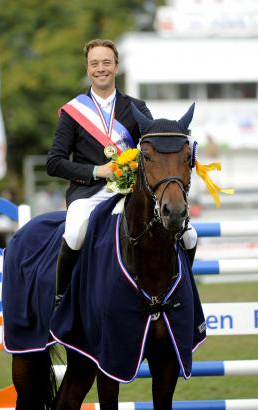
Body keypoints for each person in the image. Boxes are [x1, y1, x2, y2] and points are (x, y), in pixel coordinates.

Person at [46, 38, 197, 304]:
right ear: (88, 68)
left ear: (116, 67)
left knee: (189, 234)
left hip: (131, 193)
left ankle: (180, 292)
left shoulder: (136, 108)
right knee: (75, 231)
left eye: (106, 62)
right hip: (89, 192)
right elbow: (54, 162)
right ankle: (62, 297)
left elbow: (153, 147)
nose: (100, 68)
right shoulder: (73, 112)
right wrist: (97, 171)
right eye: (94, 63)